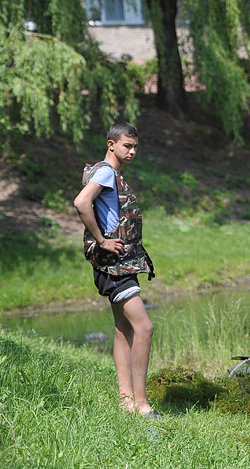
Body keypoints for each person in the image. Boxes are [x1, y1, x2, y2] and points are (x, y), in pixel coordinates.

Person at [73, 122, 159, 418]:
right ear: (111, 144)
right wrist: (102, 240)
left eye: (135, 146)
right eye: (127, 146)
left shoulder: (105, 171)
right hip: (116, 265)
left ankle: (126, 401)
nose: (132, 151)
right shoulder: (106, 172)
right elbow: (81, 203)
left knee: (123, 330)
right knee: (144, 328)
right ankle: (142, 405)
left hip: (119, 264)